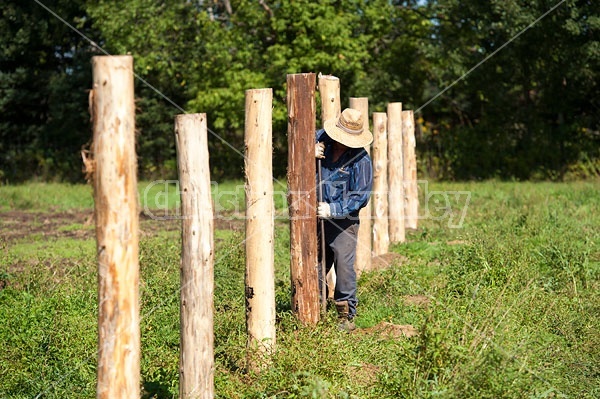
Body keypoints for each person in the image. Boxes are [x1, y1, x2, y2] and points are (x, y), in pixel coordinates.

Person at [315, 108, 373, 331]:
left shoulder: (361, 160)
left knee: (343, 264)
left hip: (343, 221)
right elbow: (295, 142)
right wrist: (307, 151)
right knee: (316, 263)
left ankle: (345, 314)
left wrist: (333, 209)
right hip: (313, 214)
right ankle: (314, 306)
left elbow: (360, 197)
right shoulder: (321, 137)